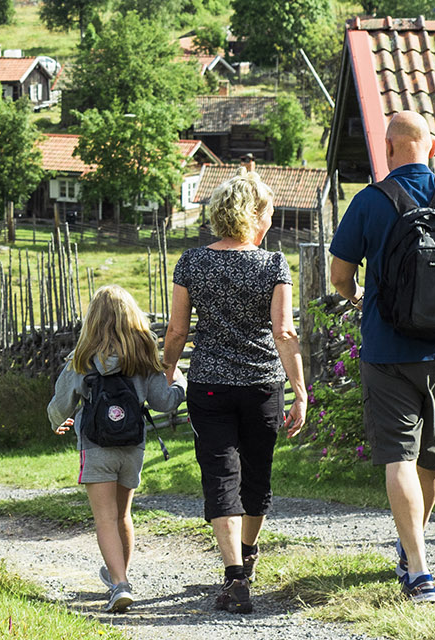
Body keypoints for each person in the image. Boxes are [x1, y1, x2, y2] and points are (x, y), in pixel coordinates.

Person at [328, 111, 435, 604]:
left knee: (398, 456)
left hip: (386, 351)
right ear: (432, 147)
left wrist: (357, 294)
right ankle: (412, 547)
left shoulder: (369, 201)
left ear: (388, 149)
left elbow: (339, 275)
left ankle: (418, 569)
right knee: (432, 458)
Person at [163, 169, 308, 615]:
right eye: (269, 211)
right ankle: (247, 554)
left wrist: (167, 368)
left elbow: (177, 329)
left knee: (221, 476)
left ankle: (235, 576)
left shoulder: (191, 262)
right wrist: (300, 391)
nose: (271, 219)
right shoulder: (273, 265)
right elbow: (284, 332)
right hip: (263, 386)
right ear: (254, 215)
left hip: (209, 385)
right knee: (256, 474)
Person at [48, 285, 187, 614]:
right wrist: (180, 382)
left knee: (105, 519)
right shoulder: (143, 356)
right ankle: (118, 577)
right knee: (123, 516)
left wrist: (56, 421)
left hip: (95, 447)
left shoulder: (82, 358)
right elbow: (164, 402)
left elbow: (60, 405)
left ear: (92, 320)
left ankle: (120, 584)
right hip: (132, 447)